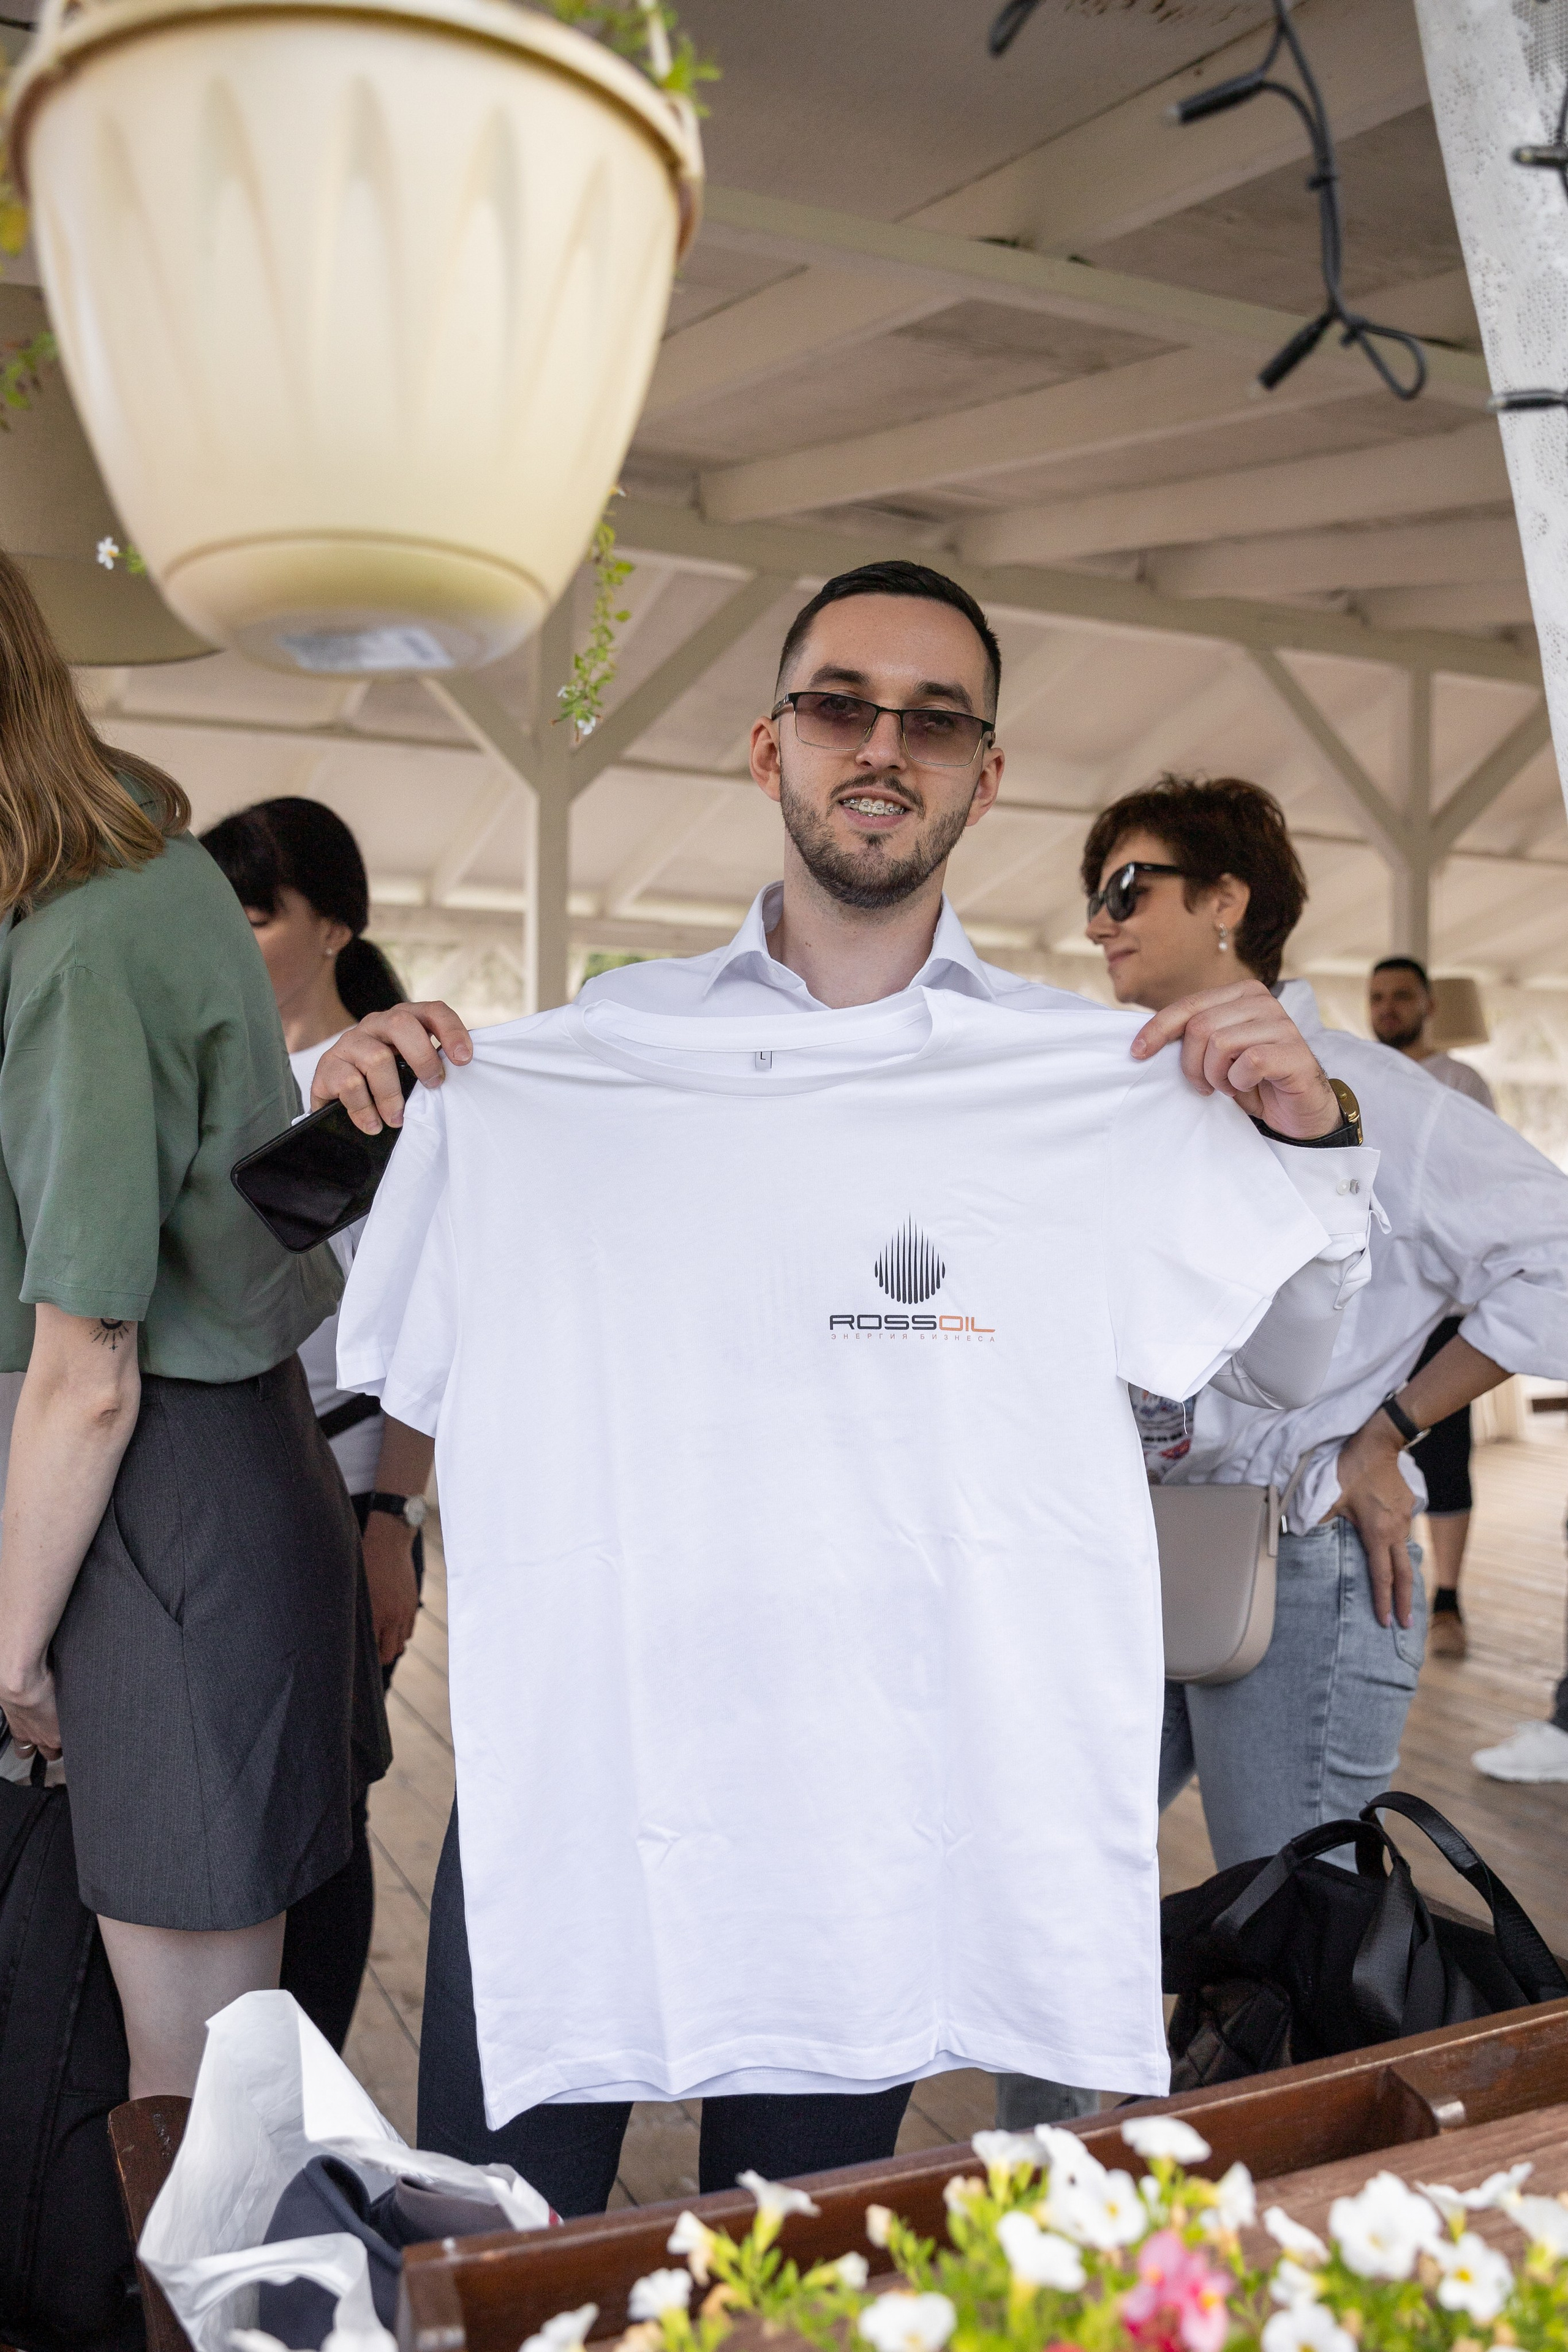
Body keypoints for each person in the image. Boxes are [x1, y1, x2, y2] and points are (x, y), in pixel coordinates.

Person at [312, 562, 1378, 2211]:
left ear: (986, 774)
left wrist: (1308, 1141)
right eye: (842, 704)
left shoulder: (1089, 1087)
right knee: (494, 2245)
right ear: (770, 747)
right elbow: (392, 1335)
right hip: (601, 1780)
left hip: (879, 1803)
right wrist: (386, 1111)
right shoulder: (582, 1063)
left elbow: (1298, 1367)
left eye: (936, 718)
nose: (886, 745)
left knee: (790, 2265)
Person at [995, 774, 1568, 2133]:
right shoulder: (1118, 1097)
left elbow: (1551, 1258)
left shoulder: (1379, 1093)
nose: (1099, 922)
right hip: (1121, 1549)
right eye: (1092, 896)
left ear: (1226, 901)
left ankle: (1297, 2244)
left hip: (1306, 1552)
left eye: (1126, 886)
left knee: (1292, 1917)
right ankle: (1037, 2208)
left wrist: (1389, 1426)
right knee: (1036, 1882)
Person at [0, 552, 389, 2100]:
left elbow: (87, 1371)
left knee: (201, 2123)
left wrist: (10, 1638)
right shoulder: (116, 884)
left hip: (162, 1506)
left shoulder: (88, 935)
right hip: (202, 1491)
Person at [200, 796, 434, 2050]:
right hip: (222, 1480)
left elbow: (429, 1331)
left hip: (340, 1484)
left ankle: (307, 2060)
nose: (230, 941)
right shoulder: (207, 1079)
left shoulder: (388, 1089)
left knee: (326, 1800)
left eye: (255, 914)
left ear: (335, 924)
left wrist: (391, 1517)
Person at [1368, 955, 1498, 1661]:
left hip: (1444, 1301)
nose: (1387, 1007)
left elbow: (1477, 1183)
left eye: (1400, 997)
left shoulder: (1460, 1082)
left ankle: (1448, 1598)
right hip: (1375, 1301)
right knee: (1368, 1444)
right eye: (1377, 997)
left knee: (1446, 1451)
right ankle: (1394, 1591)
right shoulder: (1358, 1074)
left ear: (1426, 1006)